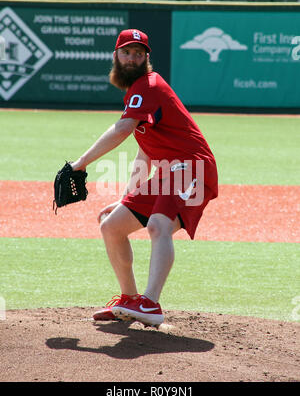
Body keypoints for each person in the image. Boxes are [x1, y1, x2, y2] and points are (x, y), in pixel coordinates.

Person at [71, 29, 218, 327]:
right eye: (127, 52)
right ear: (116, 55)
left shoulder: (149, 85)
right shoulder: (136, 92)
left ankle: (150, 303)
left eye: (139, 53)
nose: (132, 58)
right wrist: (126, 199)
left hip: (194, 168)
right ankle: (129, 299)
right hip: (170, 171)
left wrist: (81, 163)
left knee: (158, 224)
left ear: (147, 58)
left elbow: (123, 129)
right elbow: (145, 155)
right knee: (111, 226)